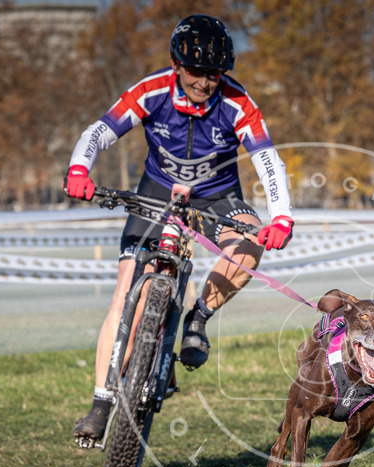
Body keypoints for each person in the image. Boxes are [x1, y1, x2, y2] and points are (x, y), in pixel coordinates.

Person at [64, 14, 294, 444]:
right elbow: (99, 132)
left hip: (217, 195)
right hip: (156, 191)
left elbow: (267, 161)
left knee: (249, 237)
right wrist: (80, 169)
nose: (205, 82)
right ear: (176, 64)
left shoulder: (237, 103)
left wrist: (282, 216)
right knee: (124, 292)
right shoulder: (151, 91)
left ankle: (197, 318)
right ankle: (100, 403)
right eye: (195, 72)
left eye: (213, 73)